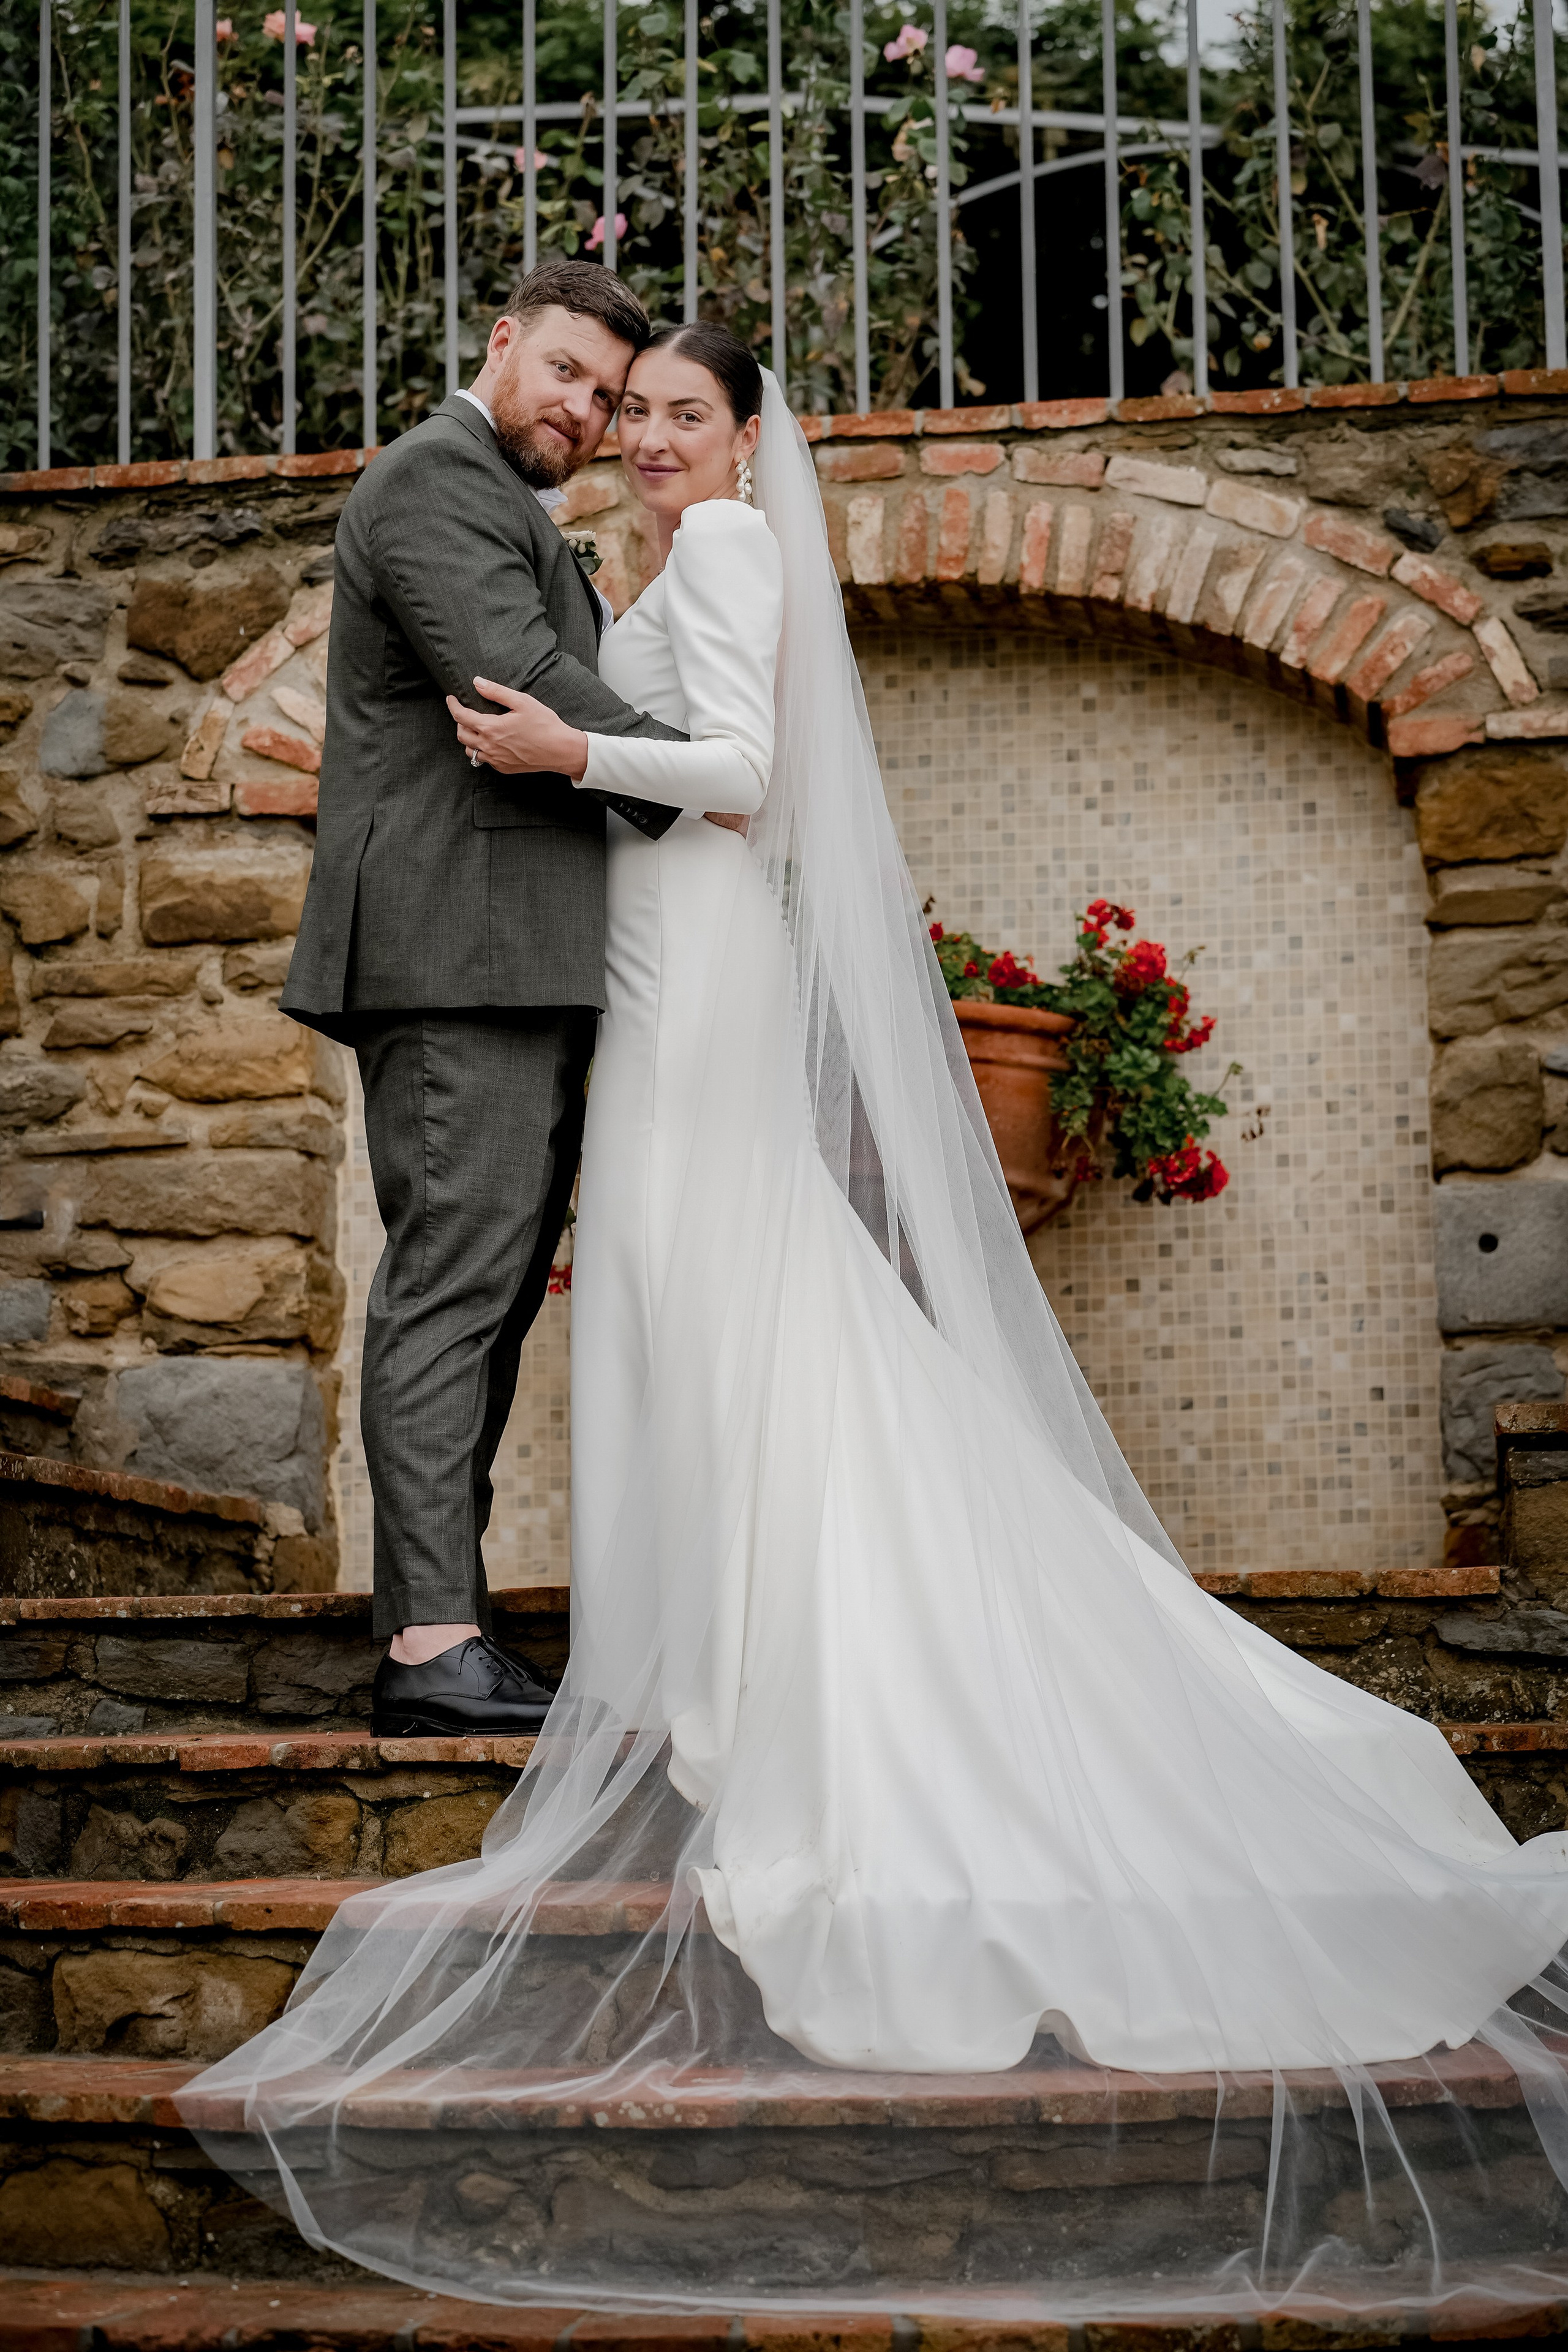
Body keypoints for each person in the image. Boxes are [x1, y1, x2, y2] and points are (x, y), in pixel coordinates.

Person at [184, 325, 1568, 2315]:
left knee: (714, 1282)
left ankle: (738, 1662)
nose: (648, 437)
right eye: (633, 413)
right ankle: (708, 1646)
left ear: (750, 438)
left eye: (684, 413)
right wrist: (582, 746)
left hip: (694, 961)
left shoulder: (732, 549)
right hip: (650, 958)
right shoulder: (664, 556)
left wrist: (576, 756)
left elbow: (745, 779)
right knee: (687, 1298)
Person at [280, 260, 687, 1740]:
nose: (584, 411)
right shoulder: (434, 480)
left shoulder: (502, 497)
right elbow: (512, 678)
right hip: (456, 953)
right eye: (566, 372)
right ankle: (430, 1643)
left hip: (511, 955)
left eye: (607, 395)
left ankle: (446, 1625)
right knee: (455, 1286)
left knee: (490, 1295)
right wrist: (714, 783)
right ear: (503, 343)